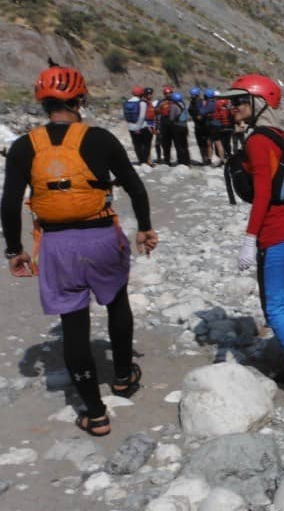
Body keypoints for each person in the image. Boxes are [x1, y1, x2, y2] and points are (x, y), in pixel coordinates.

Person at [2, 64, 158, 436]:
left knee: (73, 324)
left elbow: (8, 203)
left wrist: (14, 250)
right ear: (81, 99)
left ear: (42, 103)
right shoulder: (101, 139)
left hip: (57, 244)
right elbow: (136, 187)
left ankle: (95, 412)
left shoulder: (25, 146)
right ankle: (122, 376)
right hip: (103, 236)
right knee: (117, 302)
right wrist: (145, 229)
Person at [218, 73, 284, 405]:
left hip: (277, 233)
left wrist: (250, 237)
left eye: (239, 100)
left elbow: (263, 192)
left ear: (258, 103)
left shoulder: (257, 140)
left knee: (275, 306)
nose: (231, 105)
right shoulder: (281, 134)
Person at [124, 86, 154, 166]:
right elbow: (141, 116)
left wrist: (132, 126)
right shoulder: (142, 103)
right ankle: (144, 161)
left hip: (131, 127)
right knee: (146, 144)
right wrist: (138, 127)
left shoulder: (127, 102)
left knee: (137, 145)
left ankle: (140, 161)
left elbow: (126, 115)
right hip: (141, 127)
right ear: (141, 94)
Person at [163, 92, 191, 166]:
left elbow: (171, 118)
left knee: (179, 145)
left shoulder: (173, 106)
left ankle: (181, 161)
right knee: (185, 145)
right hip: (184, 126)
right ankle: (187, 161)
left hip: (177, 127)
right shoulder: (183, 104)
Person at [188, 88, 209, 164]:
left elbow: (203, 114)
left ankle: (207, 158)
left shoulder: (201, 103)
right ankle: (204, 159)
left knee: (205, 143)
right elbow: (190, 112)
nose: (192, 97)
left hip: (203, 125)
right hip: (198, 125)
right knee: (201, 143)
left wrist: (198, 116)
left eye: (194, 96)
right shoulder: (193, 103)